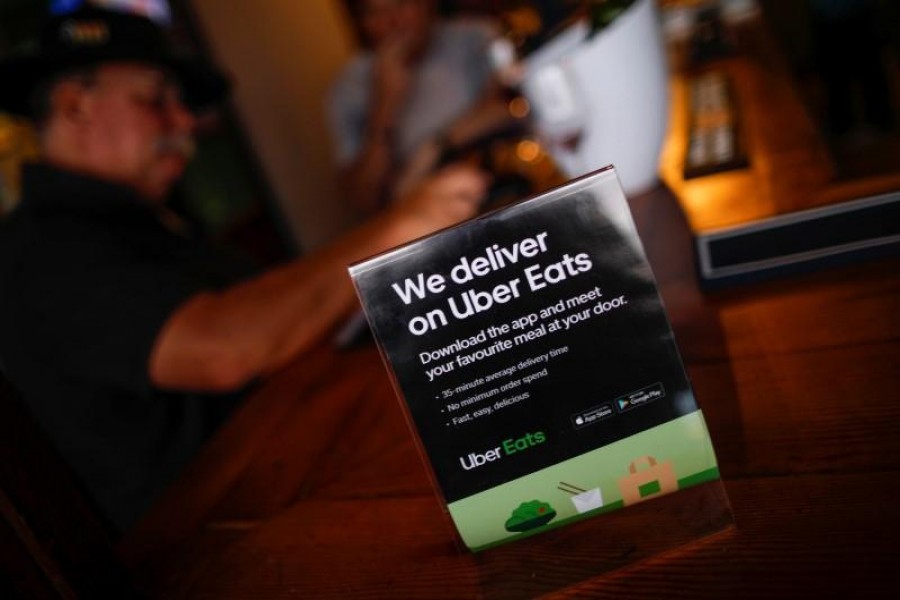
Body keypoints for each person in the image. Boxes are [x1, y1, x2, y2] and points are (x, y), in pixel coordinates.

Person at [0, 5, 487, 533]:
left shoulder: (144, 221)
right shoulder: (41, 251)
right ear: (74, 105)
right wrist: (403, 224)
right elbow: (222, 349)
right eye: (156, 99)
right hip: (220, 542)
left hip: (306, 473)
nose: (183, 121)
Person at [328, 0, 520, 213]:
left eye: (401, 6)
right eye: (374, 13)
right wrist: (384, 105)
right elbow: (363, 200)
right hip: (427, 213)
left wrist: (432, 150)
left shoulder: (476, 37)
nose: (392, 22)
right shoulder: (349, 87)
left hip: (503, 183)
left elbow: (511, 107)